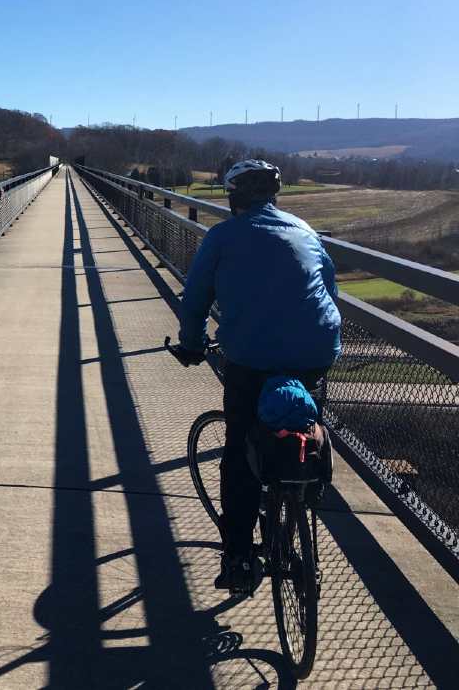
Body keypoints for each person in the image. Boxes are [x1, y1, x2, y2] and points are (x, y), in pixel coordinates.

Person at [170, 159, 341, 593]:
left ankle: (240, 558)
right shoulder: (305, 230)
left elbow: (195, 298)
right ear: (274, 196)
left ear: (233, 198)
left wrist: (191, 343)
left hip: (251, 357)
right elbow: (329, 292)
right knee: (302, 422)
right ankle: (305, 496)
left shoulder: (224, 236)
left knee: (240, 452)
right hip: (315, 351)